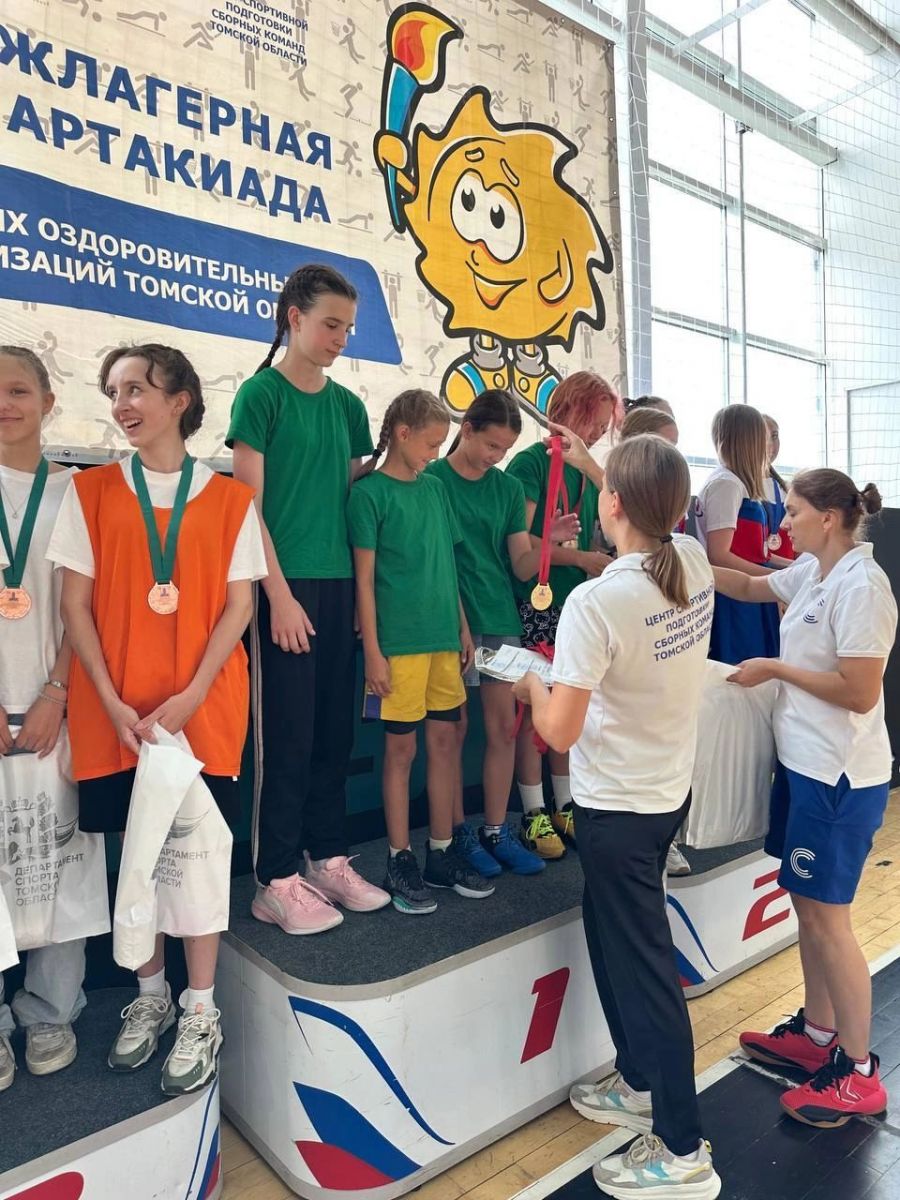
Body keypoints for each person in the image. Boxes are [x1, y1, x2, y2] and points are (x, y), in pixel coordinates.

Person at [49, 344, 267, 1095]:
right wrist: (111, 701)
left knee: (197, 862)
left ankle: (201, 1007)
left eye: (137, 388)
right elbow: (74, 604)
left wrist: (194, 693)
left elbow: (239, 607)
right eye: (114, 391)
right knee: (136, 859)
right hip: (119, 718)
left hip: (202, 714)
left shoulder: (231, 499)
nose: (122, 404)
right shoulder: (90, 492)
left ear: (180, 401)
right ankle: (151, 996)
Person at [513, 433, 721, 1200]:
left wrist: (531, 685)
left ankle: (683, 1147)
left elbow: (558, 732)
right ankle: (637, 1080)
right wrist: (596, 463)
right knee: (610, 936)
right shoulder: (690, 561)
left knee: (645, 972)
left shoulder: (596, 601)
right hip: (662, 797)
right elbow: (645, 508)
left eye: (605, 487)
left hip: (620, 811)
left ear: (613, 505)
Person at [713, 469, 896, 1128]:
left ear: (828, 517)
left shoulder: (862, 588)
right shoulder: (813, 573)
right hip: (801, 767)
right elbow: (744, 584)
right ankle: (817, 1035)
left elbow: (860, 692)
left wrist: (775, 669)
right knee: (805, 908)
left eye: (791, 512)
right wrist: (671, 561)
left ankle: (859, 1072)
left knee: (829, 921)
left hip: (837, 779)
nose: (782, 523)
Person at [228, 264, 390, 935]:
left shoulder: (349, 408)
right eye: (330, 324)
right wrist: (279, 594)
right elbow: (246, 508)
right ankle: (275, 880)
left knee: (333, 736)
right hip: (282, 589)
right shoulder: (260, 395)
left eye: (347, 328)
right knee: (287, 741)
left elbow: (352, 506)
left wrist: (358, 599)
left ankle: (326, 859)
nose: (340, 338)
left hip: (338, 589)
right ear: (293, 317)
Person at [348, 389, 494, 913]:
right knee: (400, 751)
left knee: (446, 743)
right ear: (402, 434)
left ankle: (440, 850)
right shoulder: (368, 495)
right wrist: (373, 653)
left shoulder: (434, 490)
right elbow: (364, 582)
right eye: (431, 444)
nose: (436, 454)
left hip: (442, 642)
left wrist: (462, 628)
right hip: (399, 648)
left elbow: (447, 567)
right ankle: (398, 857)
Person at [426, 390, 578, 878]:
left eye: (506, 449)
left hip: (499, 618)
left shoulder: (508, 488)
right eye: (492, 445)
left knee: (503, 728)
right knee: (451, 731)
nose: (498, 456)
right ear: (466, 429)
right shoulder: (432, 480)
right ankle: (456, 833)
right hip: (446, 620)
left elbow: (520, 564)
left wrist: (548, 541)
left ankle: (495, 830)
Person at [0, 348, 84, 1090]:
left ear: (49, 401)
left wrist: (58, 690)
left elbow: (89, 611)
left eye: (19, 390)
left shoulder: (78, 493)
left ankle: (51, 1009)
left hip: (58, 708)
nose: (6, 403)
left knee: (59, 863)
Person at [506, 372, 616, 859]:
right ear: (571, 410)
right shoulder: (530, 464)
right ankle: (533, 810)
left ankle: (565, 803)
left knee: (569, 703)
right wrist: (579, 558)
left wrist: (593, 559)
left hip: (576, 604)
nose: (599, 432)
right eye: (595, 421)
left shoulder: (588, 472)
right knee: (534, 709)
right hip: (537, 602)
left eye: (605, 425)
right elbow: (523, 547)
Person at [694, 405, 787, 665]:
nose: (768, 446)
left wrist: (791, 571)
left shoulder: (737, 482)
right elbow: (719, 556)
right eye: (764, 438)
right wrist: (776, 580)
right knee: (741, 671)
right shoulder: (726, 484)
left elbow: (758, 553)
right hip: (735, 598)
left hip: (751, 592)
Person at [762, 414, 795, 560]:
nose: (770, 444)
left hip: (791, 570)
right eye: (763, 437)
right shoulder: (740, 489)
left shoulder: (788, 489)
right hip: (759, 572)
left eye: (774, 436)